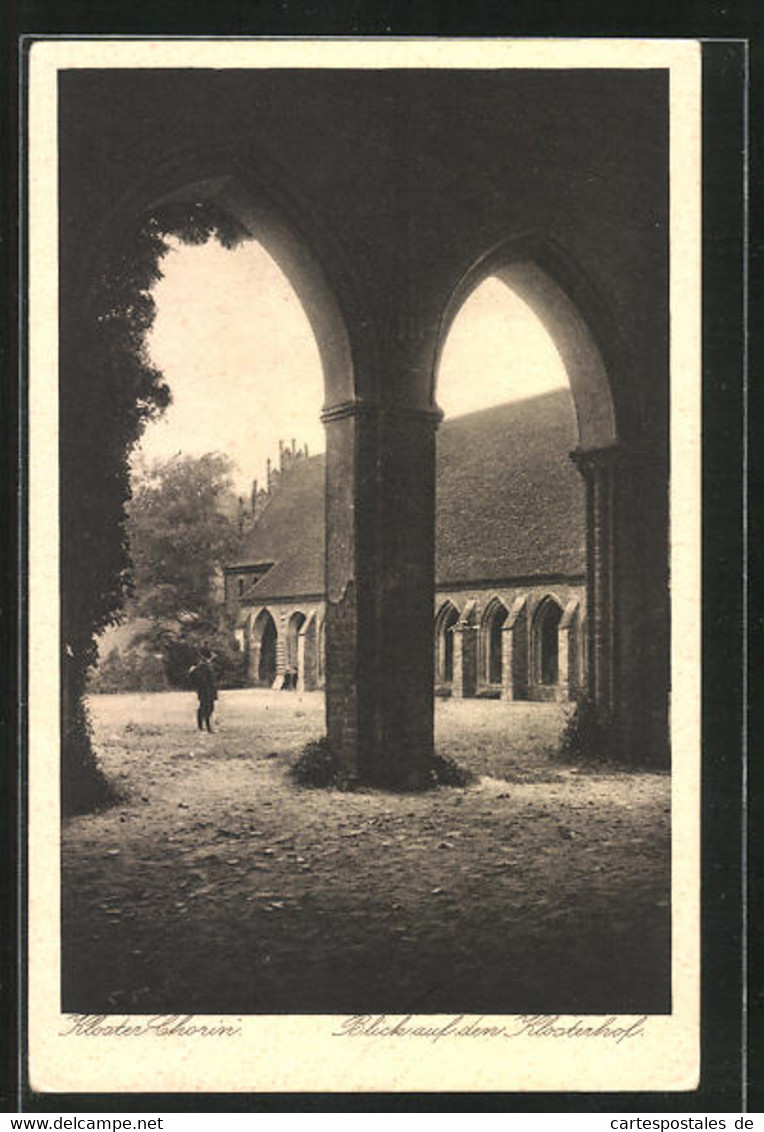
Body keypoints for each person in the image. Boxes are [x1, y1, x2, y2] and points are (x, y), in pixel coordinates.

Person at [188, 649, 217, 733]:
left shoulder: (203, 666)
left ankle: (202, 726)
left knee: (205, 708)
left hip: (206, 690)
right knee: (207, 708)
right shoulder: (203, 666)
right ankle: (208, 727)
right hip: (206, 690)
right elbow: (200, 679)